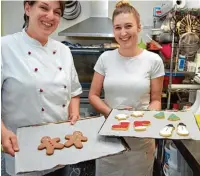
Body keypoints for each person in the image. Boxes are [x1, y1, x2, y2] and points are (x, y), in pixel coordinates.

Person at [1, 1, 82, 175]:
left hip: (60, 150)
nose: (51, 16)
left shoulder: (64, 51)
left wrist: (74, 112)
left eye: (57, 12)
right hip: (20, 152)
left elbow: (74, 92)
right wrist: (2, 132)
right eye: (44, 8)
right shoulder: (5, 47)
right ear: (27, 8)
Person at [89, 1, 165, 176]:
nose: (123, 33)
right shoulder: (105, 59)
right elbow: (93, 95)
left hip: (140, 141)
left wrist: (143, 118)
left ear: (139, 27)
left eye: (128, 26)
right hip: (109, 138)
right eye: (118, 27)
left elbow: (155, 100)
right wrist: (111, 114)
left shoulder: (154, 61)